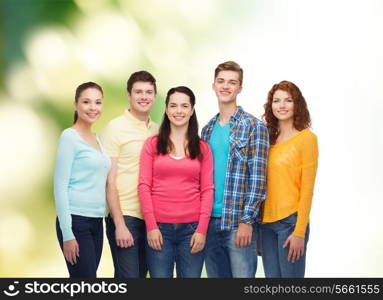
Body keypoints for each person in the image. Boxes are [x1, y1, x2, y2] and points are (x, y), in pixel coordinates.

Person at [201, 61, 269, 278]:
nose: (225, 86)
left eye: (232, 82)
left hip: (237, 223)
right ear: (213, 85)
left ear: (240, 88)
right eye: (221, 81)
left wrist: (247, 221)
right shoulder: (207, 129)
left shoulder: (254, 126)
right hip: (209, 223)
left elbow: (258, 179)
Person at [138, 86, 214, 278]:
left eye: (184, 106)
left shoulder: (203, 148)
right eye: (173, 106)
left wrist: (202, 229)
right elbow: (144, 186)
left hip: (192, 230)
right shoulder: (152, 144)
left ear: (192, 110)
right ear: (166, 109)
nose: (178, 111)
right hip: (159, 229)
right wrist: (151, 226)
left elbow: (207, 190)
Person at [100, 71, 159, 278]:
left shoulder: (158, 131)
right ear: (129, 95)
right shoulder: (114, 128)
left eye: (148, 92)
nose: (144, 97)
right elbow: (109, 181)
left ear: (155, 96)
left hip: (152, 218)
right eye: (138, 92)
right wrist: (119, 224)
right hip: (126, 215)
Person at [260, 80, 318, 278]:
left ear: (297, 104)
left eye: (288, 100)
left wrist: (300, 232)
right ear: (271, 106)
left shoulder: (306, 139)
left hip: (291, 223)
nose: (282, 105)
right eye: (276, 101)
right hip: (266, 225)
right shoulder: (267, 141)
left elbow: (307, 188)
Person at [54, 82, 111, 278]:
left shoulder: (97, 139)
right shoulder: (69, 137)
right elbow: (60, 186)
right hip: (76, 221)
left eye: (98, 102)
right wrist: (67, 233)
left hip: (96, 221)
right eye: (86, 102)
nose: (93, 107)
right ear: (75, 105)